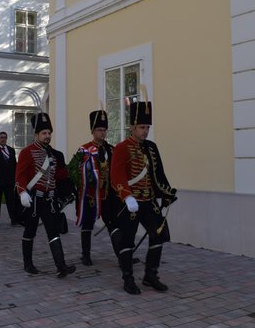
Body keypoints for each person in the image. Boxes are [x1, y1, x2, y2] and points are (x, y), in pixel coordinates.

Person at [111, 101, 177, 295]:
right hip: (130, 203)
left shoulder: (151, 147)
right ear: (132, 127)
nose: (145, 131)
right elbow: (117, 175)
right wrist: (126, 196)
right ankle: (128, 278)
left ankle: (150, 275)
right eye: (141, 127)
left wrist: (166, 194)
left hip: (148, 201)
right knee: (127, 241)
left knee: (160, 234)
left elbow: (158, 174)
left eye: (147, 127)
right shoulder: (122, 148)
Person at [15, 112, 76, 277]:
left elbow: (59, 175)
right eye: (44, 133)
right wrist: (22, 193)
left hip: (48, 199)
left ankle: (61, 266)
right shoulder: (27, 152)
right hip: (34, 199)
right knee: (30, 231)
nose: (47, 136)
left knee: (53, 231)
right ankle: (28, 264)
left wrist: (76, 171)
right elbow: (20, 175)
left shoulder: (53, 154)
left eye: (49, 133)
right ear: (36, 134)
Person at [69, 109, 121, 266]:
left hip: (107, 195)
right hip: (91, 195)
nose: (103, 133)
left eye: (104, 130)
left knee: (114, 224)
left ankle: (122, 256)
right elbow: (73, 169)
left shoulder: (111, 150)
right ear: (93, 131)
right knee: (88, 223)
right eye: (99, 130)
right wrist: (85, 180)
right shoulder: (84, 149)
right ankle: (86, 255)